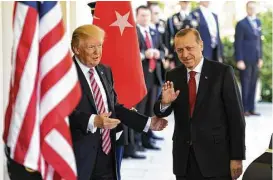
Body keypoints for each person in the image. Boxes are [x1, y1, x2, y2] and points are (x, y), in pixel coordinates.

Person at [69, 24, 167, 180]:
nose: (97, 52)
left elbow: (115, 108)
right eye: (91, 47)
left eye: (100, 46)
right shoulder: (65, 75)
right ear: (76, 49)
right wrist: (93, 120)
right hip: (81, 155)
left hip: (108, 153)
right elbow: (61, 114)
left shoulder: (104, 70)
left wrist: (148, 123)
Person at [154, 28, 246, 180]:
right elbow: (160, 111)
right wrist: (164, 102)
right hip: (184, 159)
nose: (184, 55)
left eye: (189, 48)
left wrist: (237, 157)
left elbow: (236, 118)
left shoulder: (222, 72)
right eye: (179, 50)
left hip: (216, 159)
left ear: (201, 45)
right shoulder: (173, 75)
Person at [135, 5, 165, 150]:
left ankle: (147, 140)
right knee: (140, 110)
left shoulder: (153, 31)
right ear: (136, 16)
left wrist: (159, 54)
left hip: (155, 76)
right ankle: (137, 142)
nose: (145, 18)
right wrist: (143, 54)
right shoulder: (133, 32)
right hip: (141, 77)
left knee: (150, 111)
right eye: (142, 15)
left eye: (147, 15)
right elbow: (131, 54)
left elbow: (163, 49)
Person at [234, 1, 263, 116]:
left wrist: (260, 57)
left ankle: (252, 108)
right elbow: (238, 43)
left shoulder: (258, 21)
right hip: (245, 59)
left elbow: (259, 42)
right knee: (245, 84)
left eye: (254, 8)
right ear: (246, 9)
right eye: (250, 8)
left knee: (253, 83)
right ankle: (244, 109)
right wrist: (239, 59)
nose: (252, 10)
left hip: (255, 59)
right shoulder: (241, 24)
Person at [166, 1, 191, 67]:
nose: (186, 4)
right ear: (180, 2)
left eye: (187, 2)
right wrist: (170, 57)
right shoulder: (172, 18)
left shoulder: (195, 16)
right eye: (184, 2)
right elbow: (168, 38)